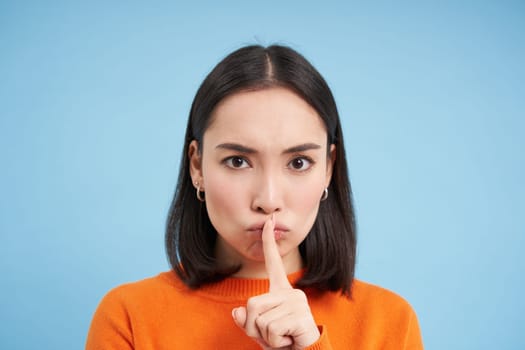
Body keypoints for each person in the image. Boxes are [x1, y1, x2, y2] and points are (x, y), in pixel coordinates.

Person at [86, 44, 424, 349]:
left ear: (328, 170)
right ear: (198, 166)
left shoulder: (390, 322)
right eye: (238, 161)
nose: (268, 198)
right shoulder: (128, 317)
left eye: (298, 162)